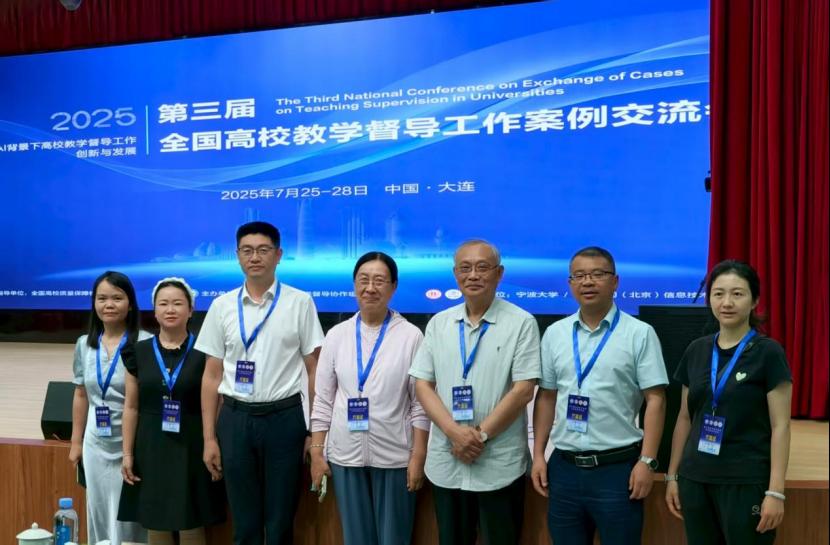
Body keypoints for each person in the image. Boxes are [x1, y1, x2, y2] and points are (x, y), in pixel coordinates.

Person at [196, 221, 324, 545]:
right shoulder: (221, 306)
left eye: (263, 250)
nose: (255, 257)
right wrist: (209, 438)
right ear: (237, 255)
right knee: (245, 522)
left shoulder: (300, 302)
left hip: (285, 420)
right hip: (235, 420)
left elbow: (314, 370)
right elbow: (211, 376)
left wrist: (314, 433)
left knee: (281, 521)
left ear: (278, 255)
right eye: (247, 250)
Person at [531, 246, 668, 545]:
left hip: (617, 470)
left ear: (615, 281)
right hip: (564, 469)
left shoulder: (639, 333)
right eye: (579, 276)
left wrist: (647, 461)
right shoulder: (555, 333)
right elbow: (546, 397)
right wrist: (539, 455)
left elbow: (656, 400)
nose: (588, 282)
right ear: (570, 283)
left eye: (597, 274)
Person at [410, 239, 541, 545]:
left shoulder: (521, 323)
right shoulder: (439, 323)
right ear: (455, 274)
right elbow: (422, 384)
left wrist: (478, 436)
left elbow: (523, 390)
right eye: (465, 268)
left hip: (498, 463)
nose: (473, 275)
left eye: (483, 267)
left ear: (499, 273)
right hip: (447, 461)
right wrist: (453, 432)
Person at [665, 260, 792, 544]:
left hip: (745, 480)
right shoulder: (697, 350)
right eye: (719, 293)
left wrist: (775, 491)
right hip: (695, 479)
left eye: (737, 294)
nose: (727, 302)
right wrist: (672, 475)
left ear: (754, 300)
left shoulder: (768, 352)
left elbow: (781, 426)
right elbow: (684, 418)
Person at [309, 251, 429, 545]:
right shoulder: (336, 335)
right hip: (345, 456)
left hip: (395, 457)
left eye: (379, 280)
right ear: (354, 285)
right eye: (363, 280)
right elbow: (323, 400)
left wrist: (418, 456)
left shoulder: (411, 336)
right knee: (356, 539)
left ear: (393, 287)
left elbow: (419, 404)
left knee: (394, 539)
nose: (370, 288)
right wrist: (317, 452)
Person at [118, 277, 225, 544]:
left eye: (178, 303)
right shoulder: (138, 351)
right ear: (154, 311)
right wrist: (127, 453)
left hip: (192, 442)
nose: (170, 309)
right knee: (156, 519)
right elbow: (131, 406)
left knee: (190, 520)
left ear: (190, 310)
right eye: (163, 304)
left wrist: (212, 441)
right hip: (150, 444)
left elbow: (218, 401)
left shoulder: (206, 352)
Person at [69, 271, 150, 545]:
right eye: (102, 298)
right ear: (94, 303)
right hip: (95, 442)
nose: (109, 305)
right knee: (99, 508)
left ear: (130, 303)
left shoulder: (145, 342)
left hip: (133, 441)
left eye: (117, 298)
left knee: (129, 516)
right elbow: (81, 394)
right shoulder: (84, 344)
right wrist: (75, 442)